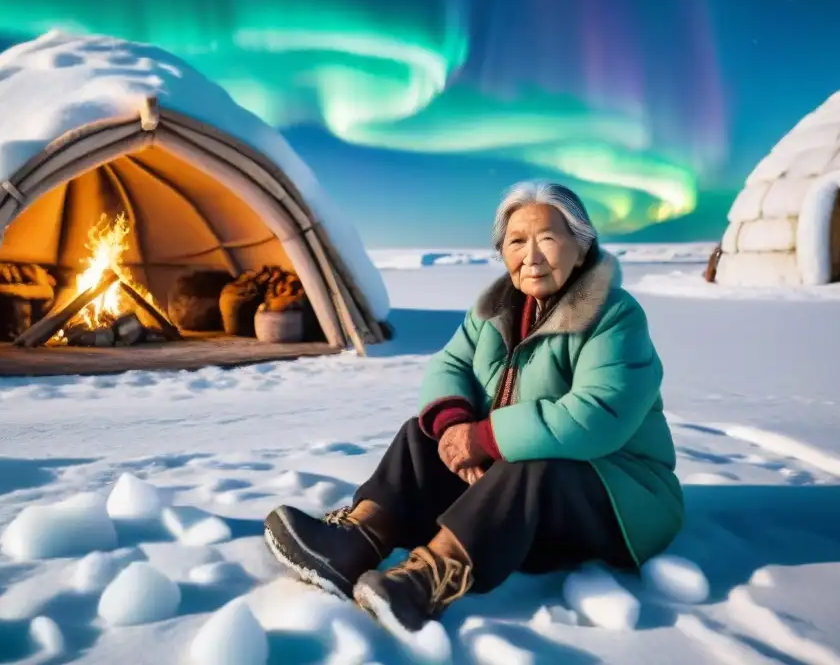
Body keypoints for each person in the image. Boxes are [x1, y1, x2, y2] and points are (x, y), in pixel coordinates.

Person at [263, 181, 684, 634]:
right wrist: (454, 428)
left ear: (580, 247)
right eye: (516, 242)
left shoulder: (614, 316)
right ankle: (357, 541)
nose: (532, 256)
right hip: (514, 496)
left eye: (547, 238)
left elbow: (597, 417)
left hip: (618, 495)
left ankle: (429, 581)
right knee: (421, 436)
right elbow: (450, 365)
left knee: (533, 462)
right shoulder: (493, 311)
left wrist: (484, 439)